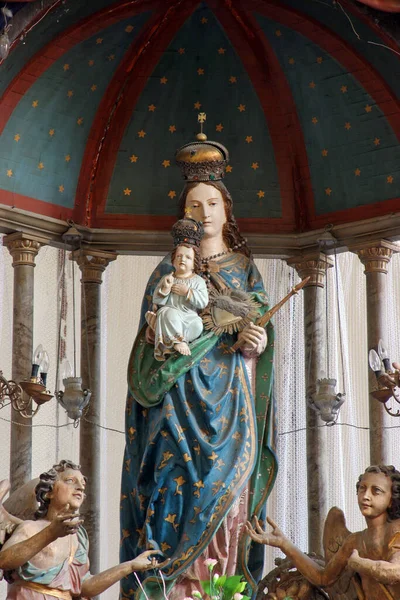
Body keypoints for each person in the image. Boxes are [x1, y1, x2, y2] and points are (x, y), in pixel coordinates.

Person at [120, 128, 277, 599]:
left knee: (227, 492)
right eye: (193, 205)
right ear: (182, 215)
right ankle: (173, 588)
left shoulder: (245, 268)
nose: (203, 213)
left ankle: (218, 588)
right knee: (176, 485)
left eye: (211, 203)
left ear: (227, 209)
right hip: (177, 401)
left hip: (230, 402)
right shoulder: (166, 273)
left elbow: (262, 335)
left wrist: (255, 340)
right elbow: (148, 344)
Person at [0, 460, 157, 599]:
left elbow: (84, 586)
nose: (80, 488)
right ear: (48, 492)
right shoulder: (31, 528)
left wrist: (129, 566)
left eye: (82, 484)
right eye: (70, 481)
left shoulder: (78, 537)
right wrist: (50, 533)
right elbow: (5, 560)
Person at [246, 464, 400, 600]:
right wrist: (284, 543)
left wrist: (360, 563)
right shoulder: (355, 541)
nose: (366, 496)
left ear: (391, 499)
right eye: (362, 488)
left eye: (376, 491)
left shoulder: (396, 532)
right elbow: (323, 577)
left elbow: (395, 571)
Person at [145, 218, 209, 360]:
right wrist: (165, 289)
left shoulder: (198, 281)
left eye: (188, 257)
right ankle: (177, 341)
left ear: (194, 263)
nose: (182, 260)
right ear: (173, 260)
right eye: (179, 256)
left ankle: (165, 332)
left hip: (189, 317)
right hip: (171, 315)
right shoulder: (168, 278)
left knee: (198, 325)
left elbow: (203, 302)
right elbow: (157, 300)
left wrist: (188, 292)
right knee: (167, 313)